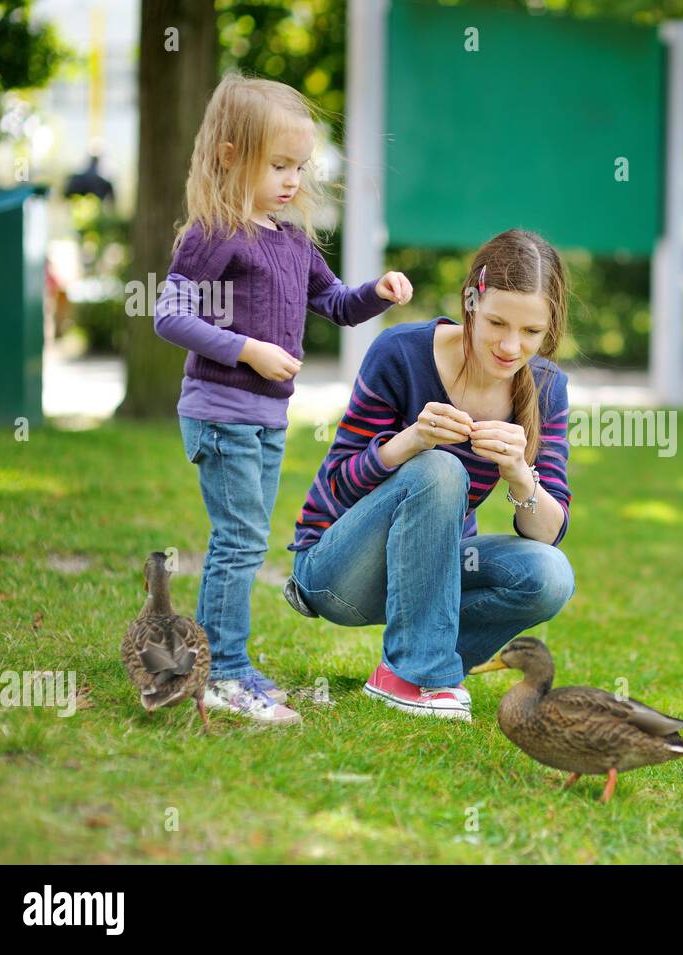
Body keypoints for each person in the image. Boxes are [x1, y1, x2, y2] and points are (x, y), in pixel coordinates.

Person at [154, 72, 413, 725]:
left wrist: (377, 292)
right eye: (279, 165)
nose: (294, 179)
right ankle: (223, 673)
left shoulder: (292, 238)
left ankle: (227, 664)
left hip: (266, 417)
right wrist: (245, 348)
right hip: (222, 412)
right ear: (231, 156)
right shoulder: (216, 232)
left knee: (245, 538)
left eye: (301, 165)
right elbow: (169, 314)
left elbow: (335, 303)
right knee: (238, 542)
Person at [286, 229, 576, 724]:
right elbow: (336, 485)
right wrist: (411, 442)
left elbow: (549, 533)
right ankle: (421, 675)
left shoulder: (547, 388)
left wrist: (520, 475)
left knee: (551, 576)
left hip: (435, 573)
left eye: (530, 332)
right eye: (497, 323)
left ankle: (409, 669)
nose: (511, 346)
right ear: (470, 302)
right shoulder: (401, 353)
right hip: (339, 571)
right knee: (441, 467)